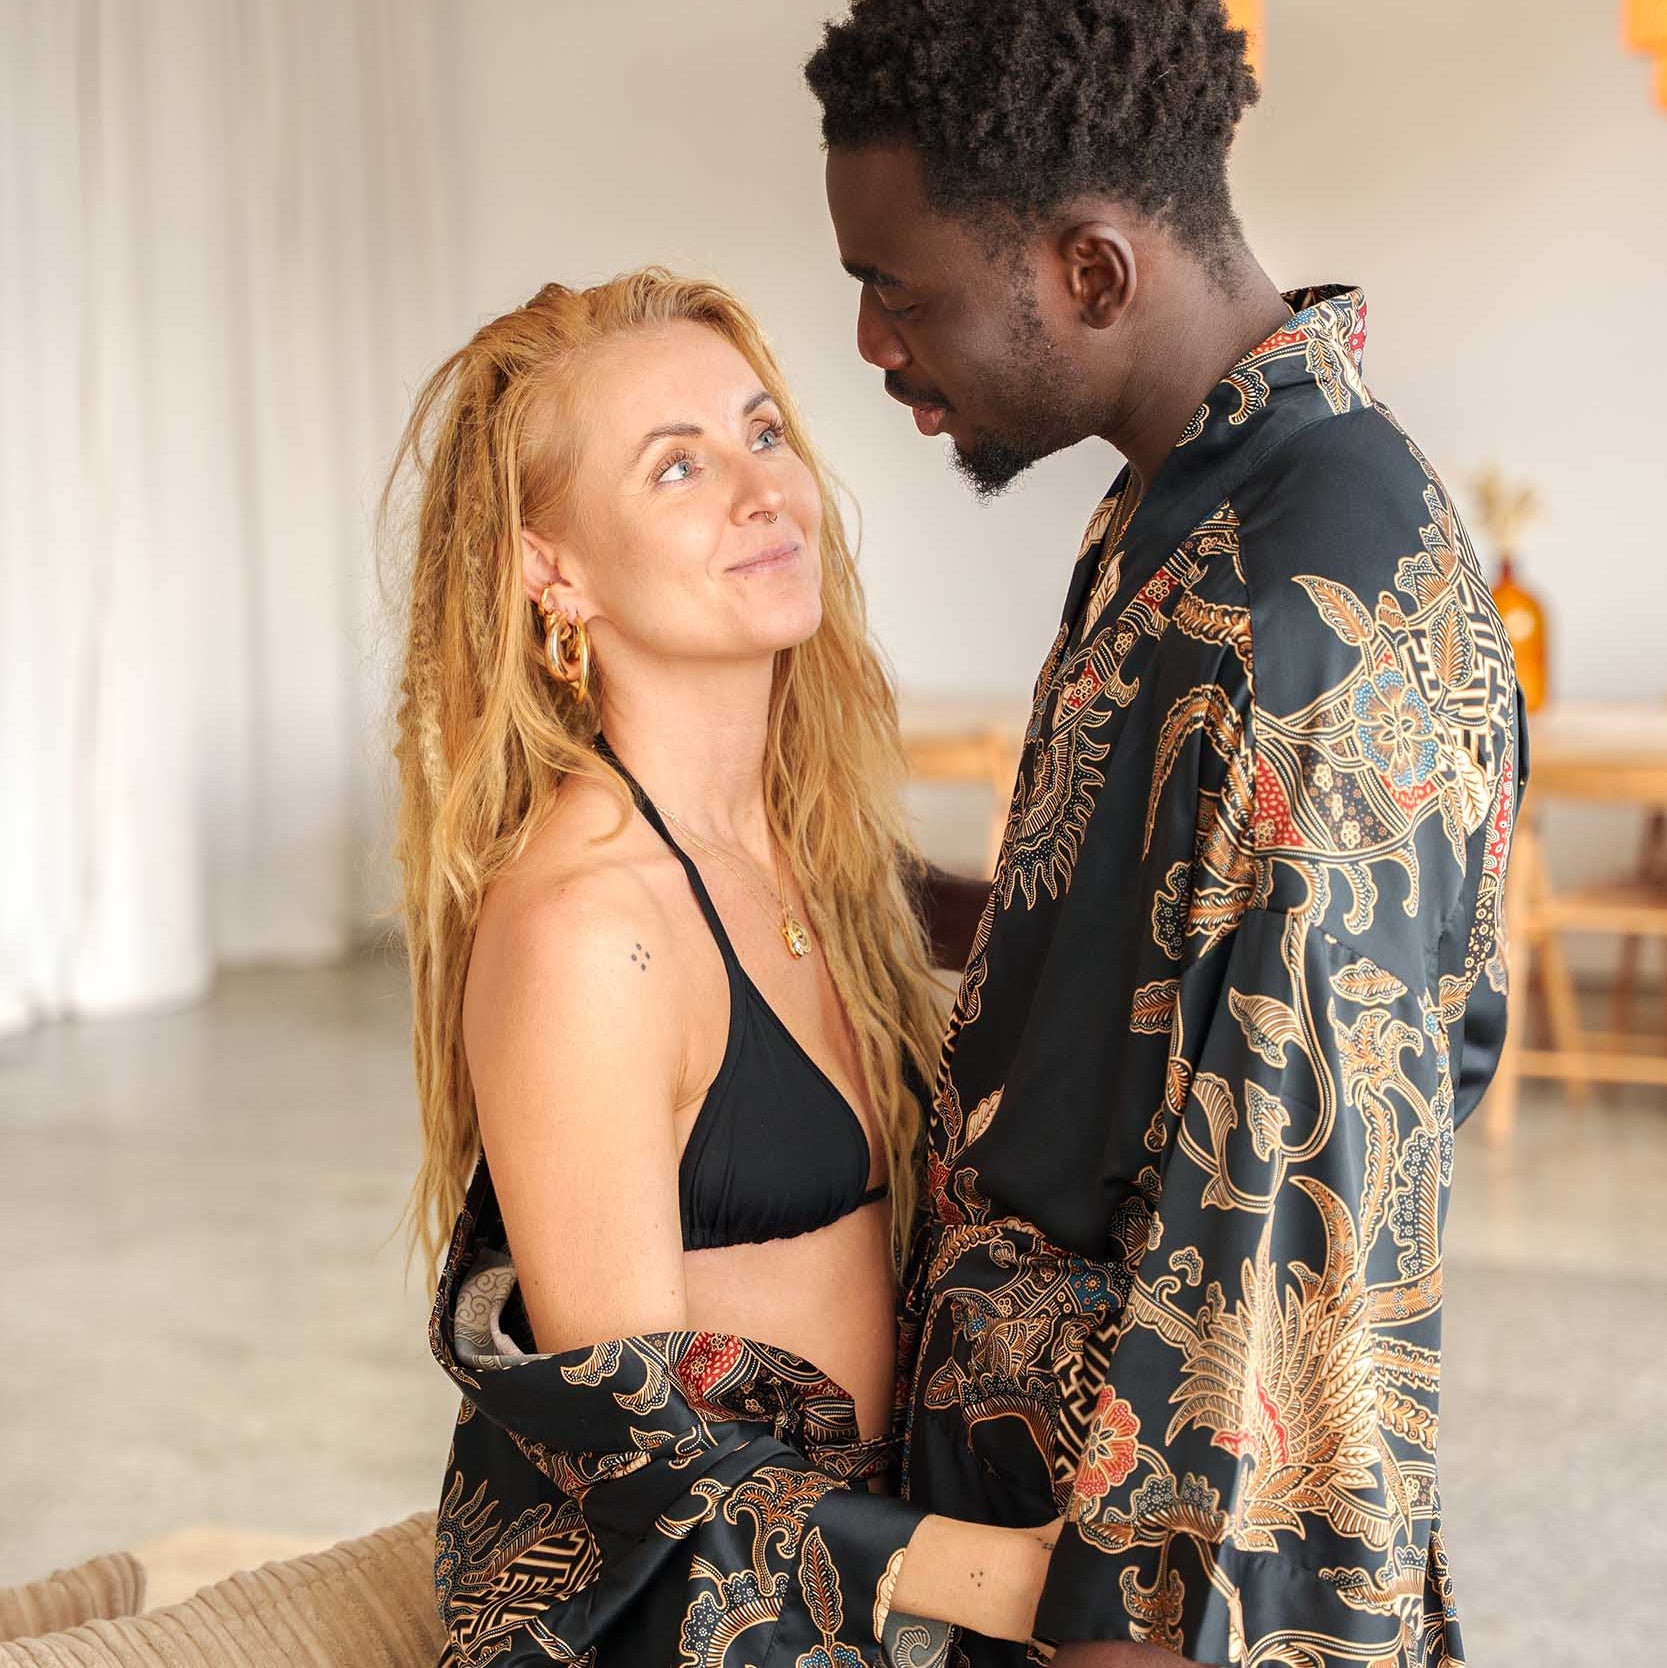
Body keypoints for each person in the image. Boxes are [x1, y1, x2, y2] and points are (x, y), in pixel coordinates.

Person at [805, 4, 1525, 1665]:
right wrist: (861, 893)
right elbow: (1145, 965)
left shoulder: (1299, 623)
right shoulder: (1198, 501)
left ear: (1092, 274)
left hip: (1139, 1599)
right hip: (1033, 1515)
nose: (866, 339)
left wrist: (1119, 1631)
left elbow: (1284, 1255)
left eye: (899, 288)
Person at [385, 269, 1060, 1668]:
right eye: (677, 467)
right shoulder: (591, 928)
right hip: (682, 1616)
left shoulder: (818, 852)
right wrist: (1010, 1584)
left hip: (858, 1559)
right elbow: (635, 1462)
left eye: (763, 434)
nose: (763, 492)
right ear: (548, 568)